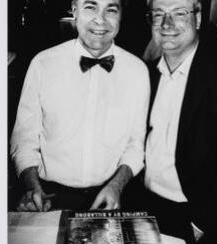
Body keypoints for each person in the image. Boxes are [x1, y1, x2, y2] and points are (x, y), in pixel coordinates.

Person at [124, 0, 217, 244]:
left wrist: (199, 225)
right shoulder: (144, 74)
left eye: (179, 13)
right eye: (159, 14)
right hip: (143, 210)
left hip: (196, 221)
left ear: (197, 20)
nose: (167, 24)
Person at [10, 0, 150, 212]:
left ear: (121, 16)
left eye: (111, 10)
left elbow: (136, 145)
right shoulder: (43, 64)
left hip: (112, 196)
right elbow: (24, 139)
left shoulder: (137, 71)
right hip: (49, 197)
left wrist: (116, 186)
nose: (100, 20)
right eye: (90, 7)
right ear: (74, 11)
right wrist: (33, 187)